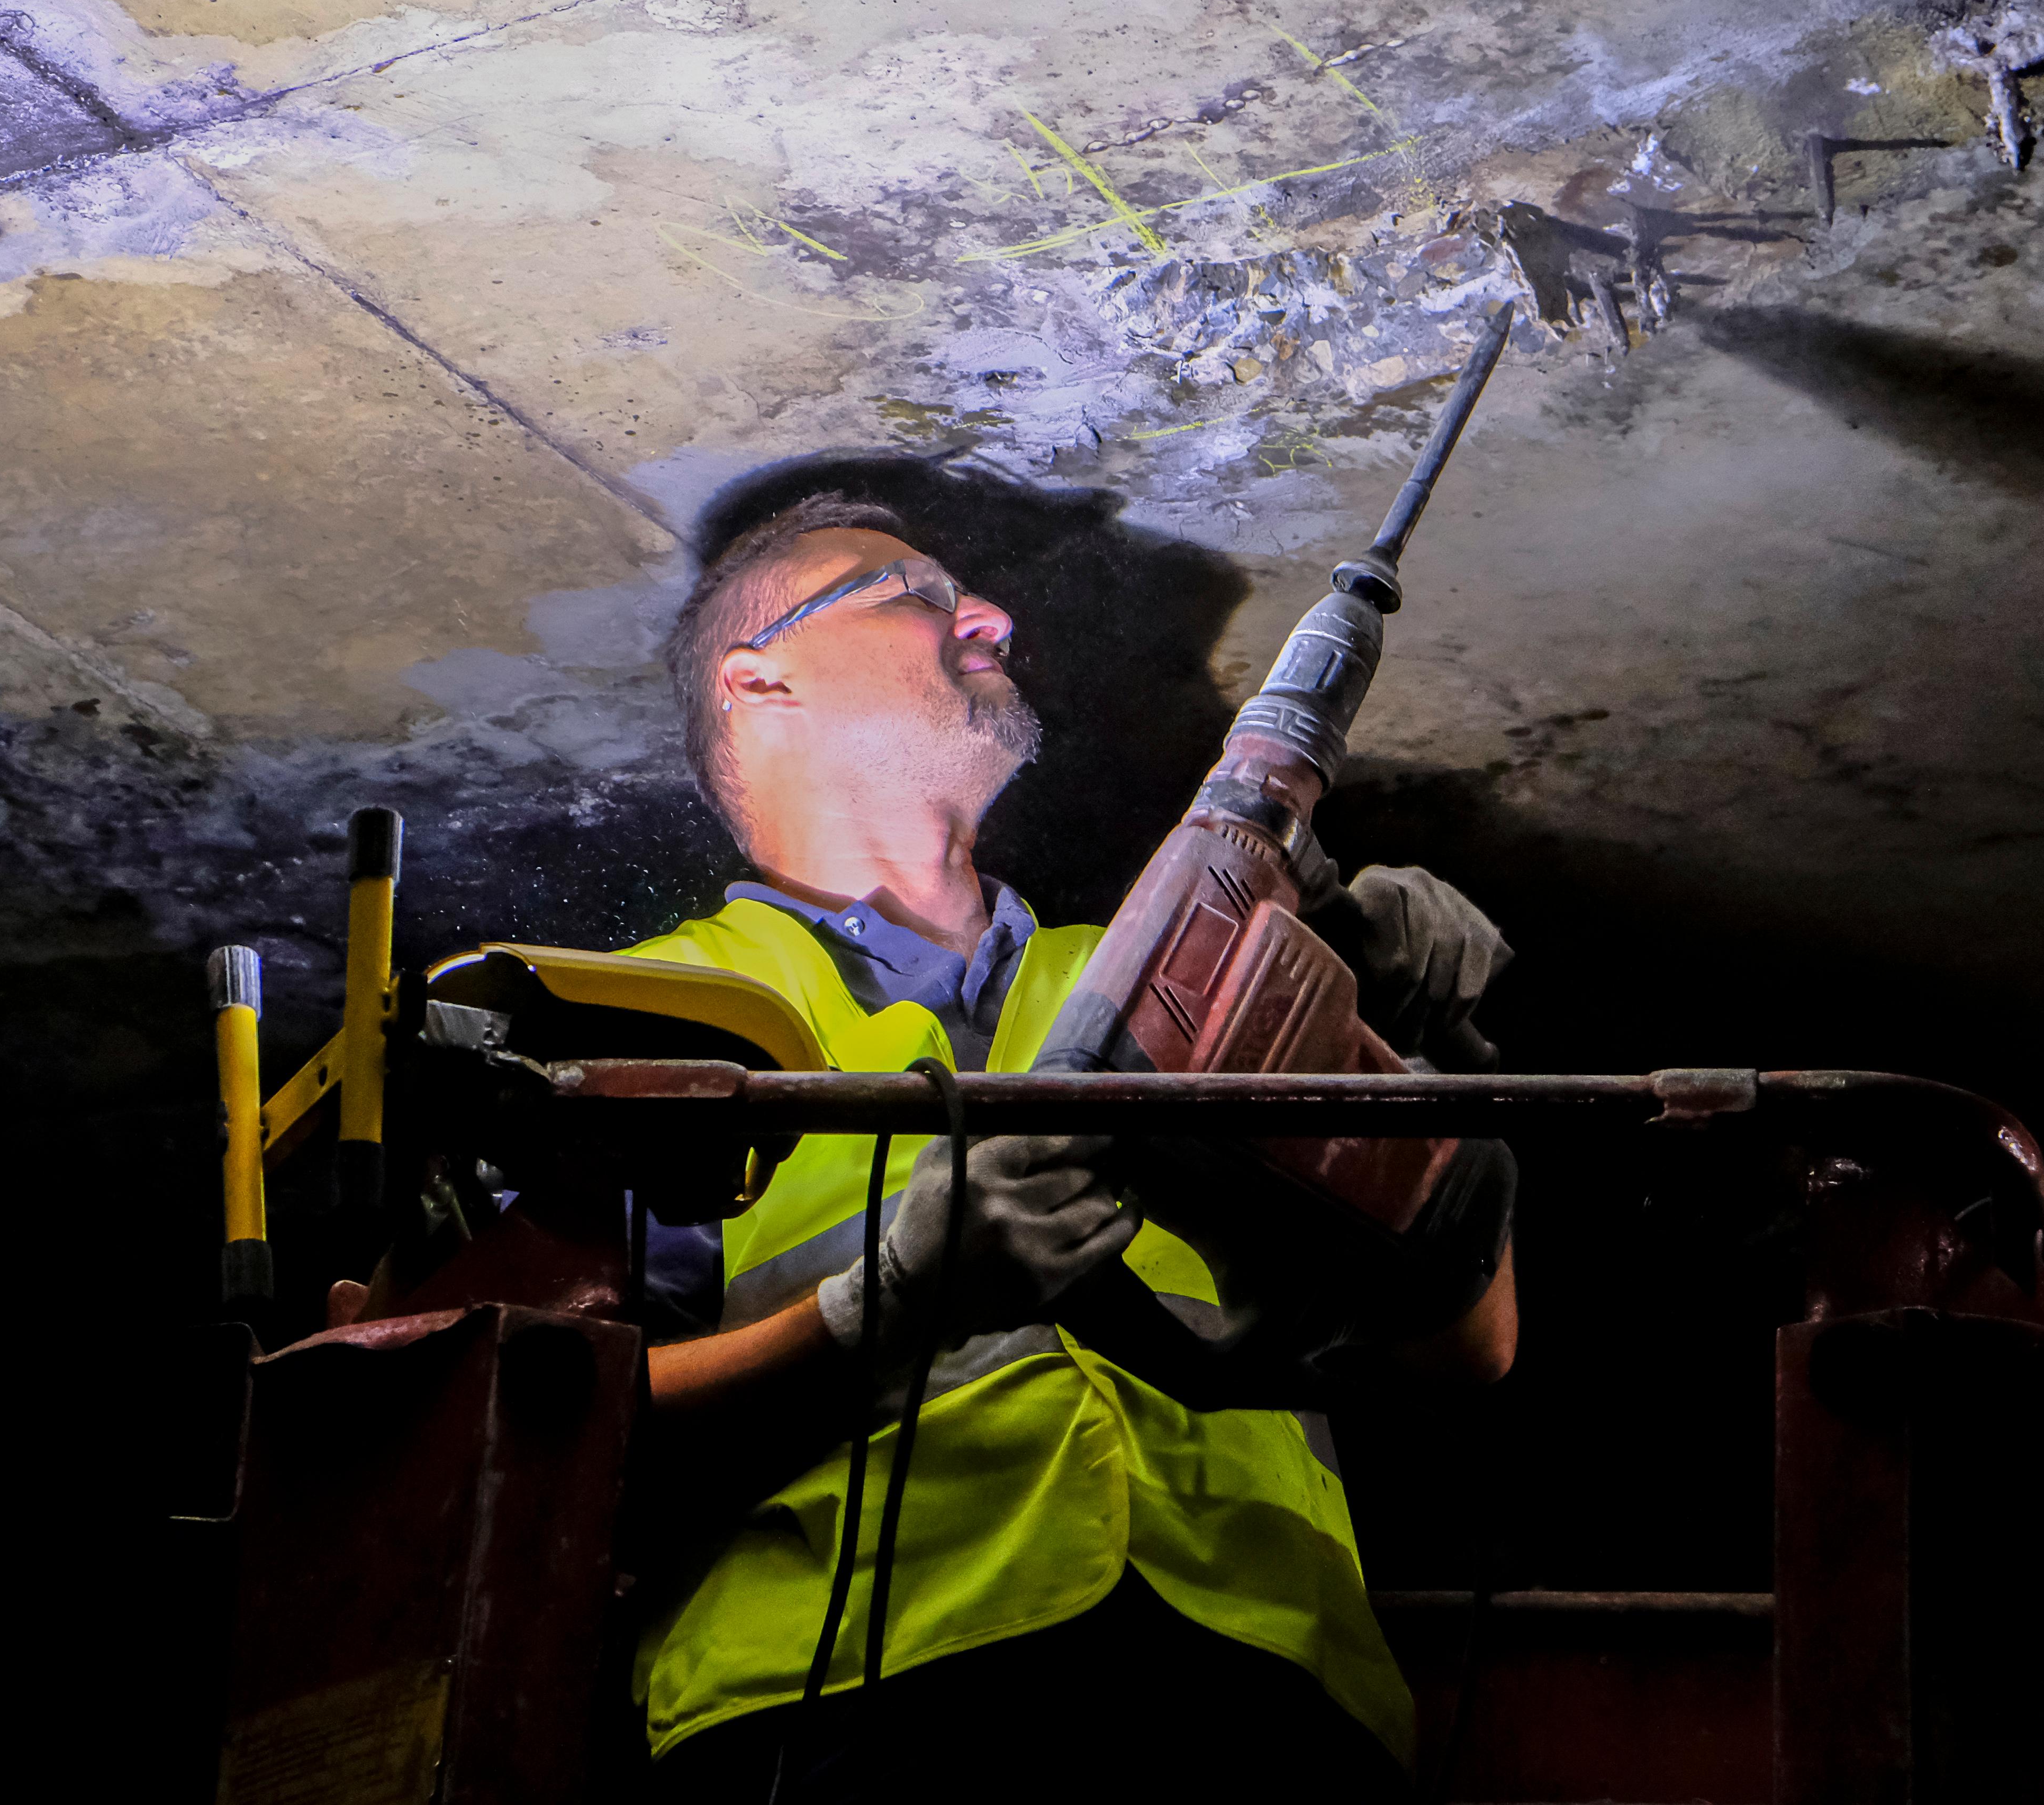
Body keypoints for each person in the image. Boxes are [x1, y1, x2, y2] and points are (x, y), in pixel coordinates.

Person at [624, 490, 1518, 1803]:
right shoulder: (634, 1013)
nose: (987, 614)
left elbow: (1469, 1346)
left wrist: (1397, 1052)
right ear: (760, 682)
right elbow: (535, 1457)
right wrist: (880, 1312)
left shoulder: (1168, 973)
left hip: (1264, 1707)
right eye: (914, 593)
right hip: (860, 1720)